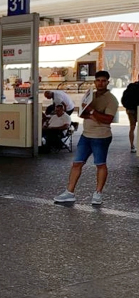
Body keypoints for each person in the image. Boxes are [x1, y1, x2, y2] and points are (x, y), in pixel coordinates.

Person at [54, 70, 118, 207]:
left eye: (103, 81)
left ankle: (98, 193)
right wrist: (91, 114)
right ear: (94, 82)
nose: (100, 83)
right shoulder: (90, 95)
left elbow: (108, 119)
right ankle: (69, 192)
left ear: (108, 82)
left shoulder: (111, 99)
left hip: (101, 136)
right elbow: (82, 113)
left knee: (100, 164)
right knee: (77, 163)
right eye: (98, 80)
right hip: (86, 135)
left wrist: (92, 111)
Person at [121, 75, 139, 153]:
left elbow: (124, 98)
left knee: (132, 127)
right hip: (136, 109)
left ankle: (132, 145)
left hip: (130, 109)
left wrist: (128, 107)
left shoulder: (131, 87)